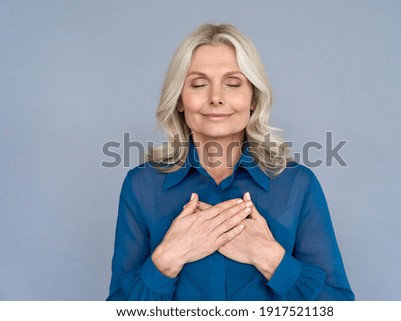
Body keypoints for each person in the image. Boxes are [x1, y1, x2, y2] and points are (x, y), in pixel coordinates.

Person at [107, 23, 354, 301]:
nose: (216, 98)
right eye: (199, 84)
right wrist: (167, 258)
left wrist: (270, 258)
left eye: (233, 84)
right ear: (179, 99)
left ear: (253, 98)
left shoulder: (297, 184)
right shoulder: (142, 186)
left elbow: (339, 307)